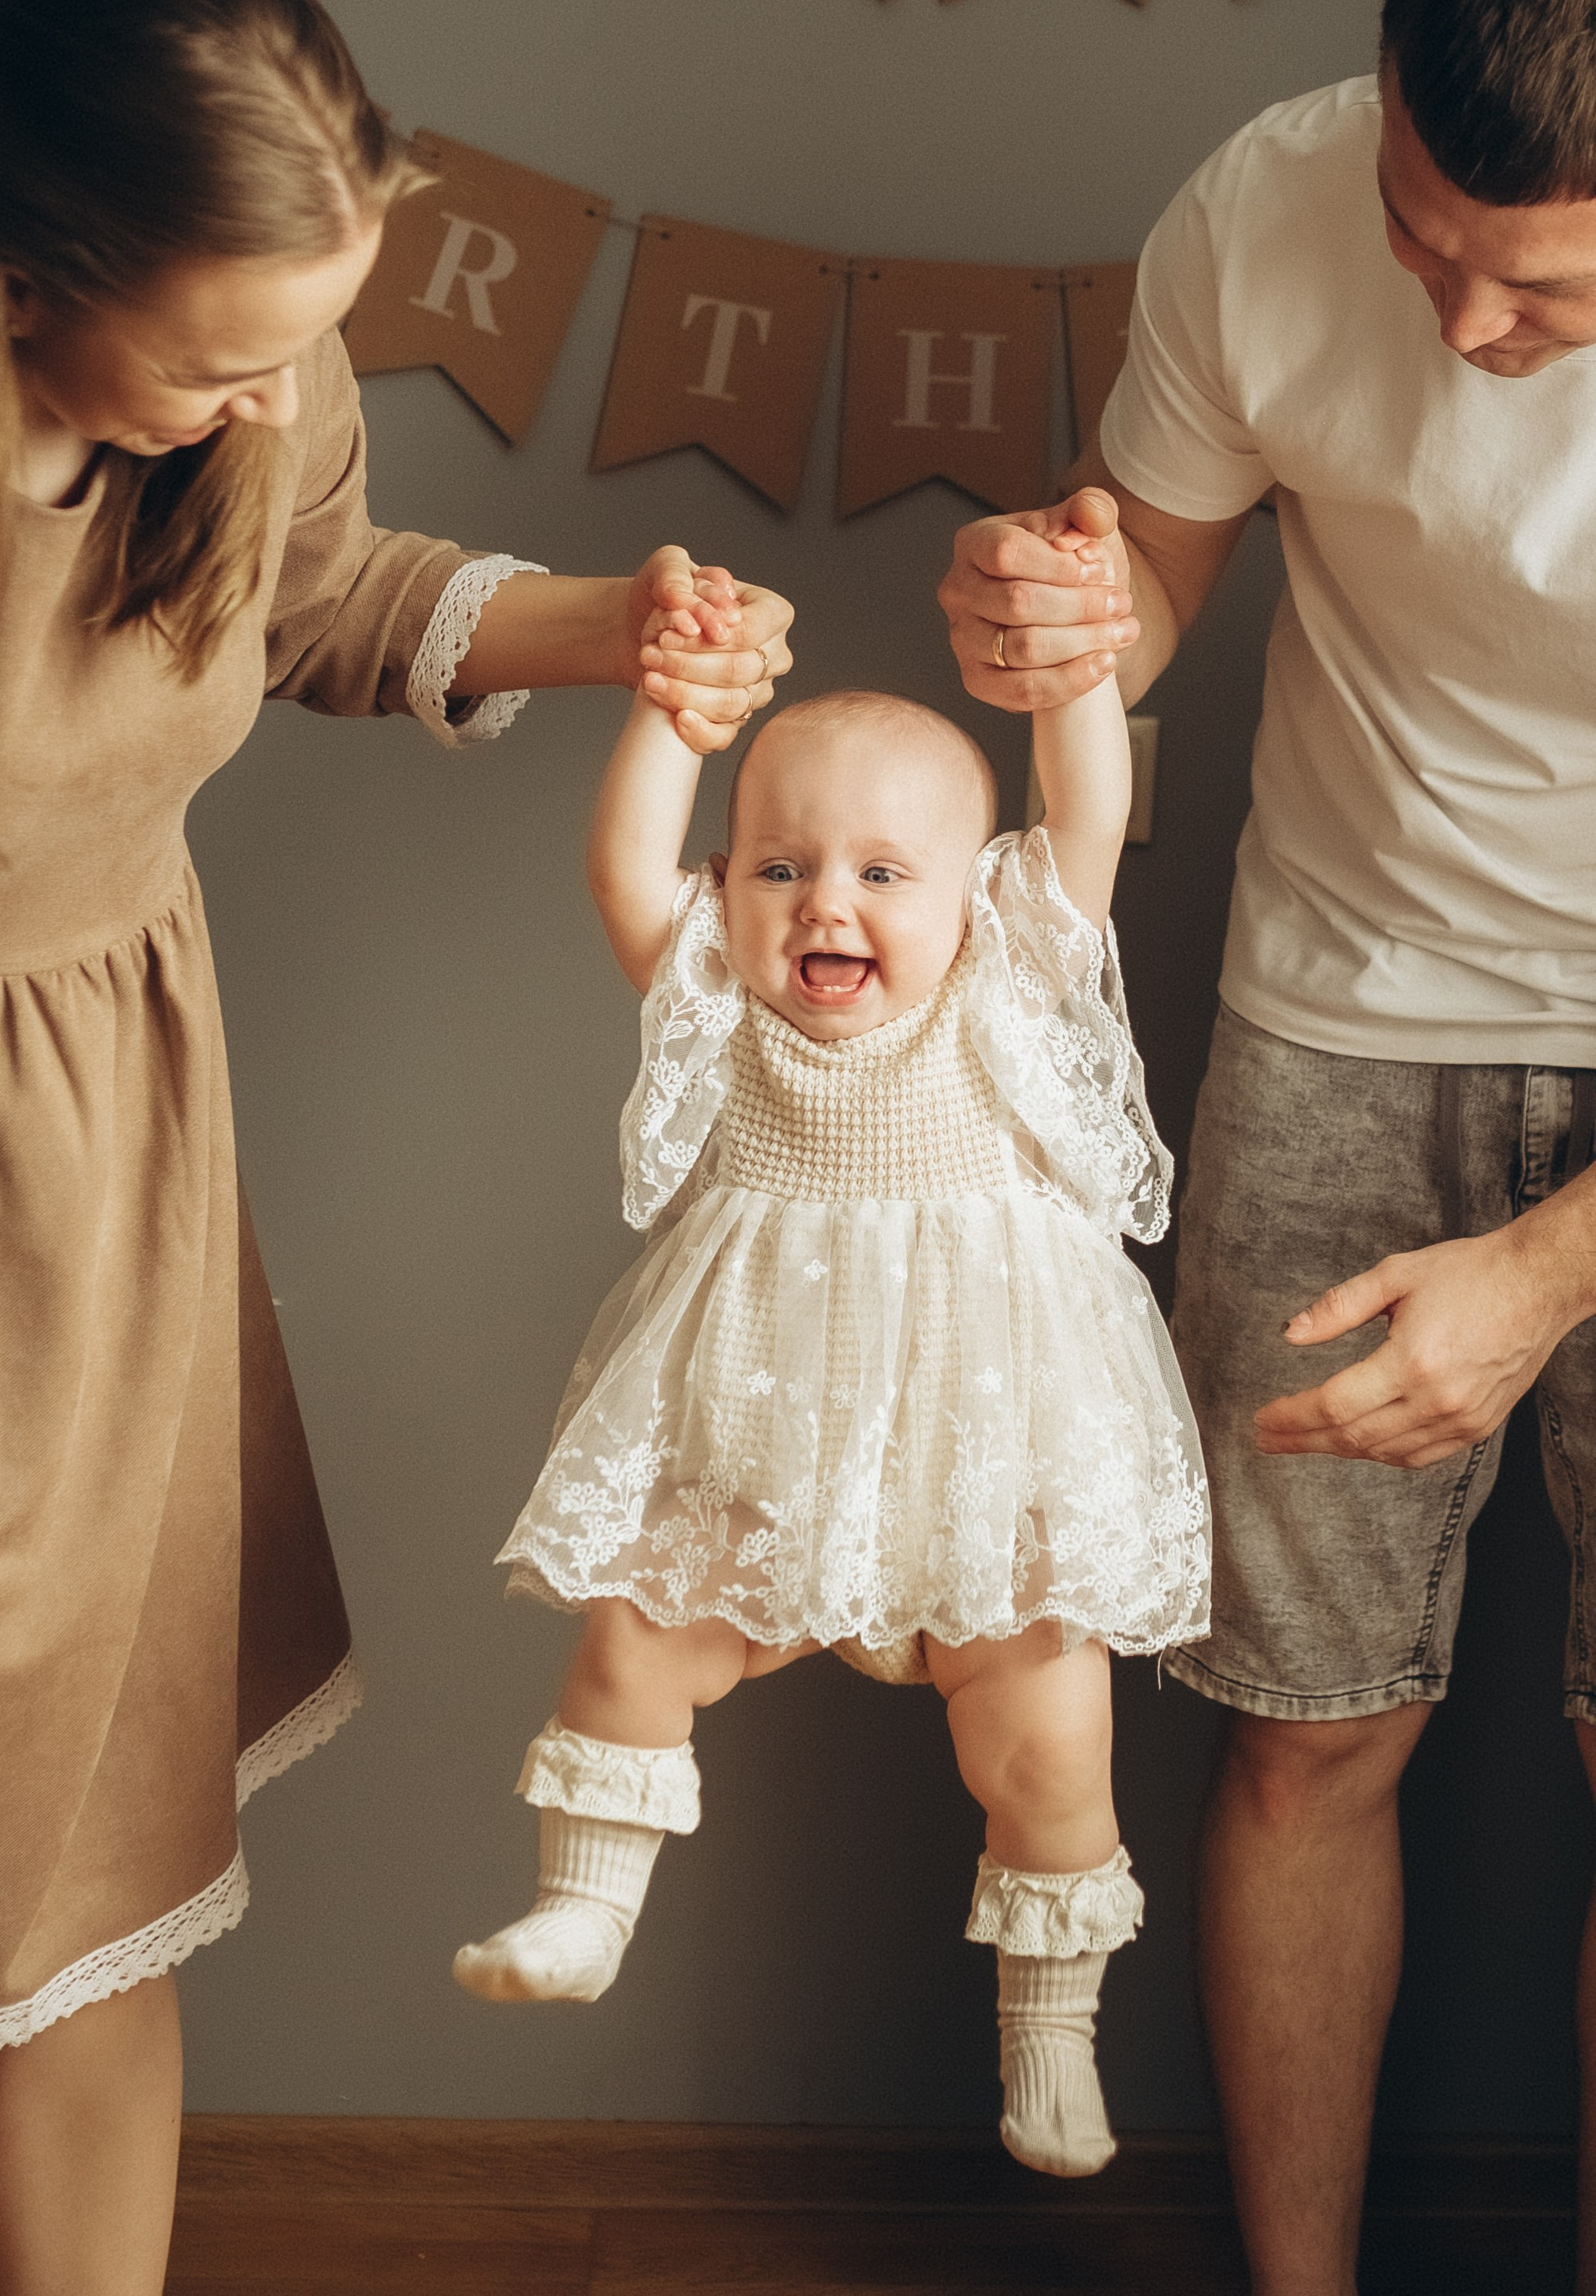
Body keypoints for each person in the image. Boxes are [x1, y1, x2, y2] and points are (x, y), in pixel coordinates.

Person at [0, 0, 792, 2295]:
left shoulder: (250, 394)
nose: (273, 399)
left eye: (306, 337)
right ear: (23, 275)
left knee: (99, 1876)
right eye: (226, 350)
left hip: (115, 1148)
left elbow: (321, 591)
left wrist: (617, 621)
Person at [937, 0, 1596, 2292]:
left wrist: (1539, 1271)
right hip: (1334, 1008)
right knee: (1297, 1727)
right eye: (1424, 247)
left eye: (1529, 293)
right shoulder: (1267, 202)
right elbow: (1147, 596)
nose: (1453, 329)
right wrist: (1054, 615)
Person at [450, 636, 1210, 2179]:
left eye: (880, 869)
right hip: (767, 1452)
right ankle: (586, 1905)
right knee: (625, 1641)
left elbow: (1084, 798)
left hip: (986, 1462)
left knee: (1046, 1749)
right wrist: (678, 714)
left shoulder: (1008, 971)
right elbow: (619, 862)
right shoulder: (720, 990)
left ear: (976, 892)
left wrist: (1075, 673)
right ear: (725, 885)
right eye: (782, 864)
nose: (825, 902)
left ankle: (1047, 2028)